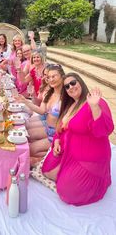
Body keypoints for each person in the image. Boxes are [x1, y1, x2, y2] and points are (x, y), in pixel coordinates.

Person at [42, 73, 114, 206]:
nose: (70, 87)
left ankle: (95, 180)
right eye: (67, 86)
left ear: (80, 82)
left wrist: (94, 107)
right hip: (69, 150)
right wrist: (57, 140)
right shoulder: (70, 105)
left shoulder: (96, 102)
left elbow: (105, 130)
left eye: (73, 83)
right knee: (46, 170)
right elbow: (62, 128)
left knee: (68, 192)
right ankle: (67, 173)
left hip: (90, 157)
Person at [17, 64, 65, 158]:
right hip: (48, 129)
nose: (51, 79)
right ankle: (47, 157)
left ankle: (54, 158)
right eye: (48, 77)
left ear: (62, 77)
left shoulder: (66, 96)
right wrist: (25, 101)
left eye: (53, 76)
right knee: (26, 138)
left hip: (57, 135)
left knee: (31, 150)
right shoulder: (49, 93)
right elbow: (42, 111)